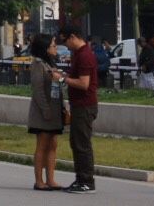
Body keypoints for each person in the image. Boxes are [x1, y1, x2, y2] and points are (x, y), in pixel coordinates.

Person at [59, 24, 100, 193]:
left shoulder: (85, 56)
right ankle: (80, 178)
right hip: (78, 105)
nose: (65, 45)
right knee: (76, 142)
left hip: (85, 106)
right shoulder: (78, 54)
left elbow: (84, 84)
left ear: (73, 37)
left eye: (65, 41)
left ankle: (87, 181)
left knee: (82, 143)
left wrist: (62, 79)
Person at [27, 33, 66, 191]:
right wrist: (45, 110)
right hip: (44, 112)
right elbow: (38, 90)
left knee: (53, 145)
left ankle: (51, 179)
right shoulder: (38, 64)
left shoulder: (50, 63)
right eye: (53, 45)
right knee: (42, 144)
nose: (56, 48)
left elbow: (57, 87)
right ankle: (39, 180)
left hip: (55, 110)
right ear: (45, 48)